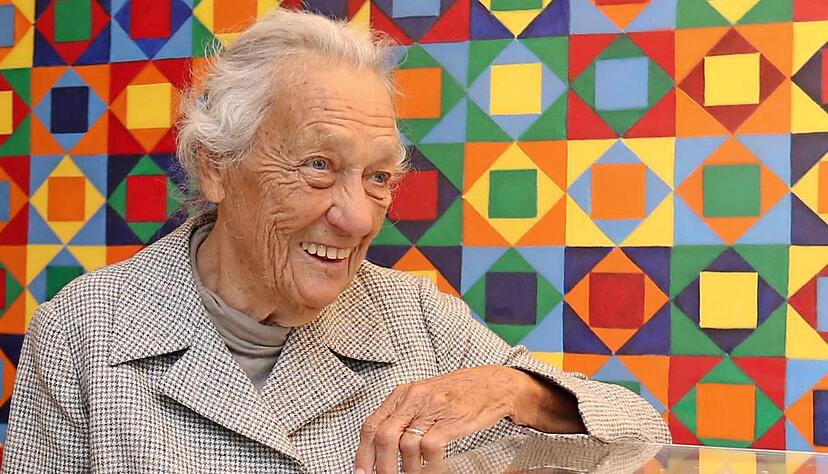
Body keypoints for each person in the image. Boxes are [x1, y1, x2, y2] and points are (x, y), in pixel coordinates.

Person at [1, 9, 670, 474]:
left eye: (378, 177)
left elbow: (637, 437)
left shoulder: (414, 318)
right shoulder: (85, 329)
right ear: (216, 166)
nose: (356, 219)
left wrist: (513, 389)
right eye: (318, 166)